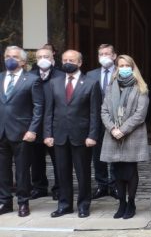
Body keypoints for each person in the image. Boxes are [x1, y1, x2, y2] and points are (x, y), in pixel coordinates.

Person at [44, 49, 102, 218]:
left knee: (82, 172)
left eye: (71, 60)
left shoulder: (91, 83)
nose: (67, 62)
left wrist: (93, 135)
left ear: (80, 63)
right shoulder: (54, 82)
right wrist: (48, 133)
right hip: (59, 135)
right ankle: (64, 205)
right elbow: (49, 111)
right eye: (65, 59)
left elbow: (94, 113)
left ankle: (84, 205)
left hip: (82, 136)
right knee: (62, 172)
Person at [99, 55, 150, 220]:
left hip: (132, 134)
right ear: (117, 67)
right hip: (113, 134)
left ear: (133, 67)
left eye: (127, 65)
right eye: (121, 65)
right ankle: (121, 202)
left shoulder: (141, 87)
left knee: (129, 170)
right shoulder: (111, 86)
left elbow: (140, 114)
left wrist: (123, 129)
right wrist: (113, 128)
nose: (124, 68)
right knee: (116, 170)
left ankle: (131, 202)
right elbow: (104, 110)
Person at [0, 46, 44, 217]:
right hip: (1, 132)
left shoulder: (32, 80)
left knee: (22, 171)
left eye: (15, 57)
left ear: (24, 61)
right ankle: (5, 202)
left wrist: (33, 130)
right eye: (7, 56)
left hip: (22, 132)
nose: (10, 59)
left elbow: (38, 107)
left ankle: (23, 203)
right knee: (2, 170)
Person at [29, 47, 63, 201]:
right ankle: (39, 187)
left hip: (55, 125)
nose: (43, 59)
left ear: (53, 59)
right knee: (36, 159)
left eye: (46, 56)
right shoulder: (29, 76)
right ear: (36, 60)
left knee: (58, 159)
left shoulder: (61, 76)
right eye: (40, 56)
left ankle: (59, 188)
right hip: (35, 124)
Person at [86, 44, 118, 199]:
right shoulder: (91, 75)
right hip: (96, 120)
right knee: (97, 154)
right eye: (101, 54)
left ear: (114, 56)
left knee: (115, 152)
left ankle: (115, 185)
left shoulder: (121, 72)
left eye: (107, 53)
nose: (104, 56)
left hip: (115, 119)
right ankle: (102, 184)